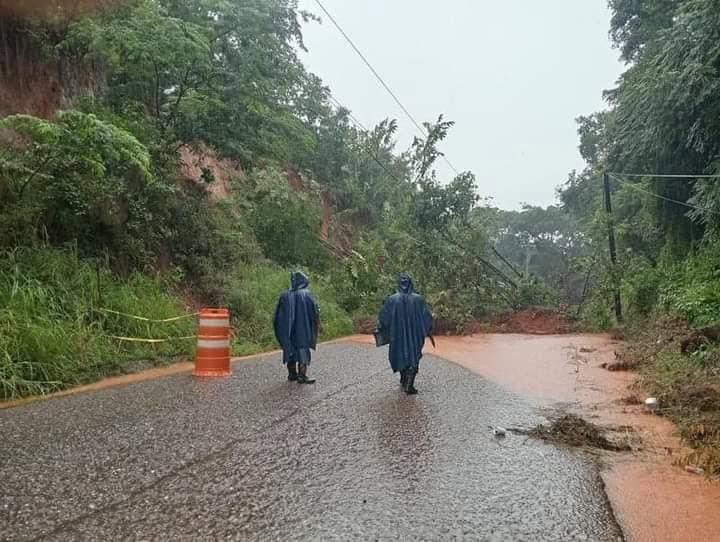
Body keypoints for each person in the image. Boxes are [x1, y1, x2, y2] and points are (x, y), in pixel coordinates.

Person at [376, 273, 433, 395]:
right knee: (413, 356)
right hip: (415, 335)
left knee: (400, 354)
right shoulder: (418, 299)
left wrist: (381, 328)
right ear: (411, 283)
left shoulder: (392, 299)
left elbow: (383, 317)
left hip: (397, 335)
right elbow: (427, 317)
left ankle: (404, 380)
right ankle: (409, 385)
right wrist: (428, 329)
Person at [273, 271, 320, 384]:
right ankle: (302, 376)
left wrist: (280, 330)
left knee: (290, 349)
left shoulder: (284, 295)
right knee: (302, 350)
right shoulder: (306, 294)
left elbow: (276, 315)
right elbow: (314, 311)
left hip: (286, 329)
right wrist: (316, 324)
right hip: (302, 328)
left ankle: (292, 374)